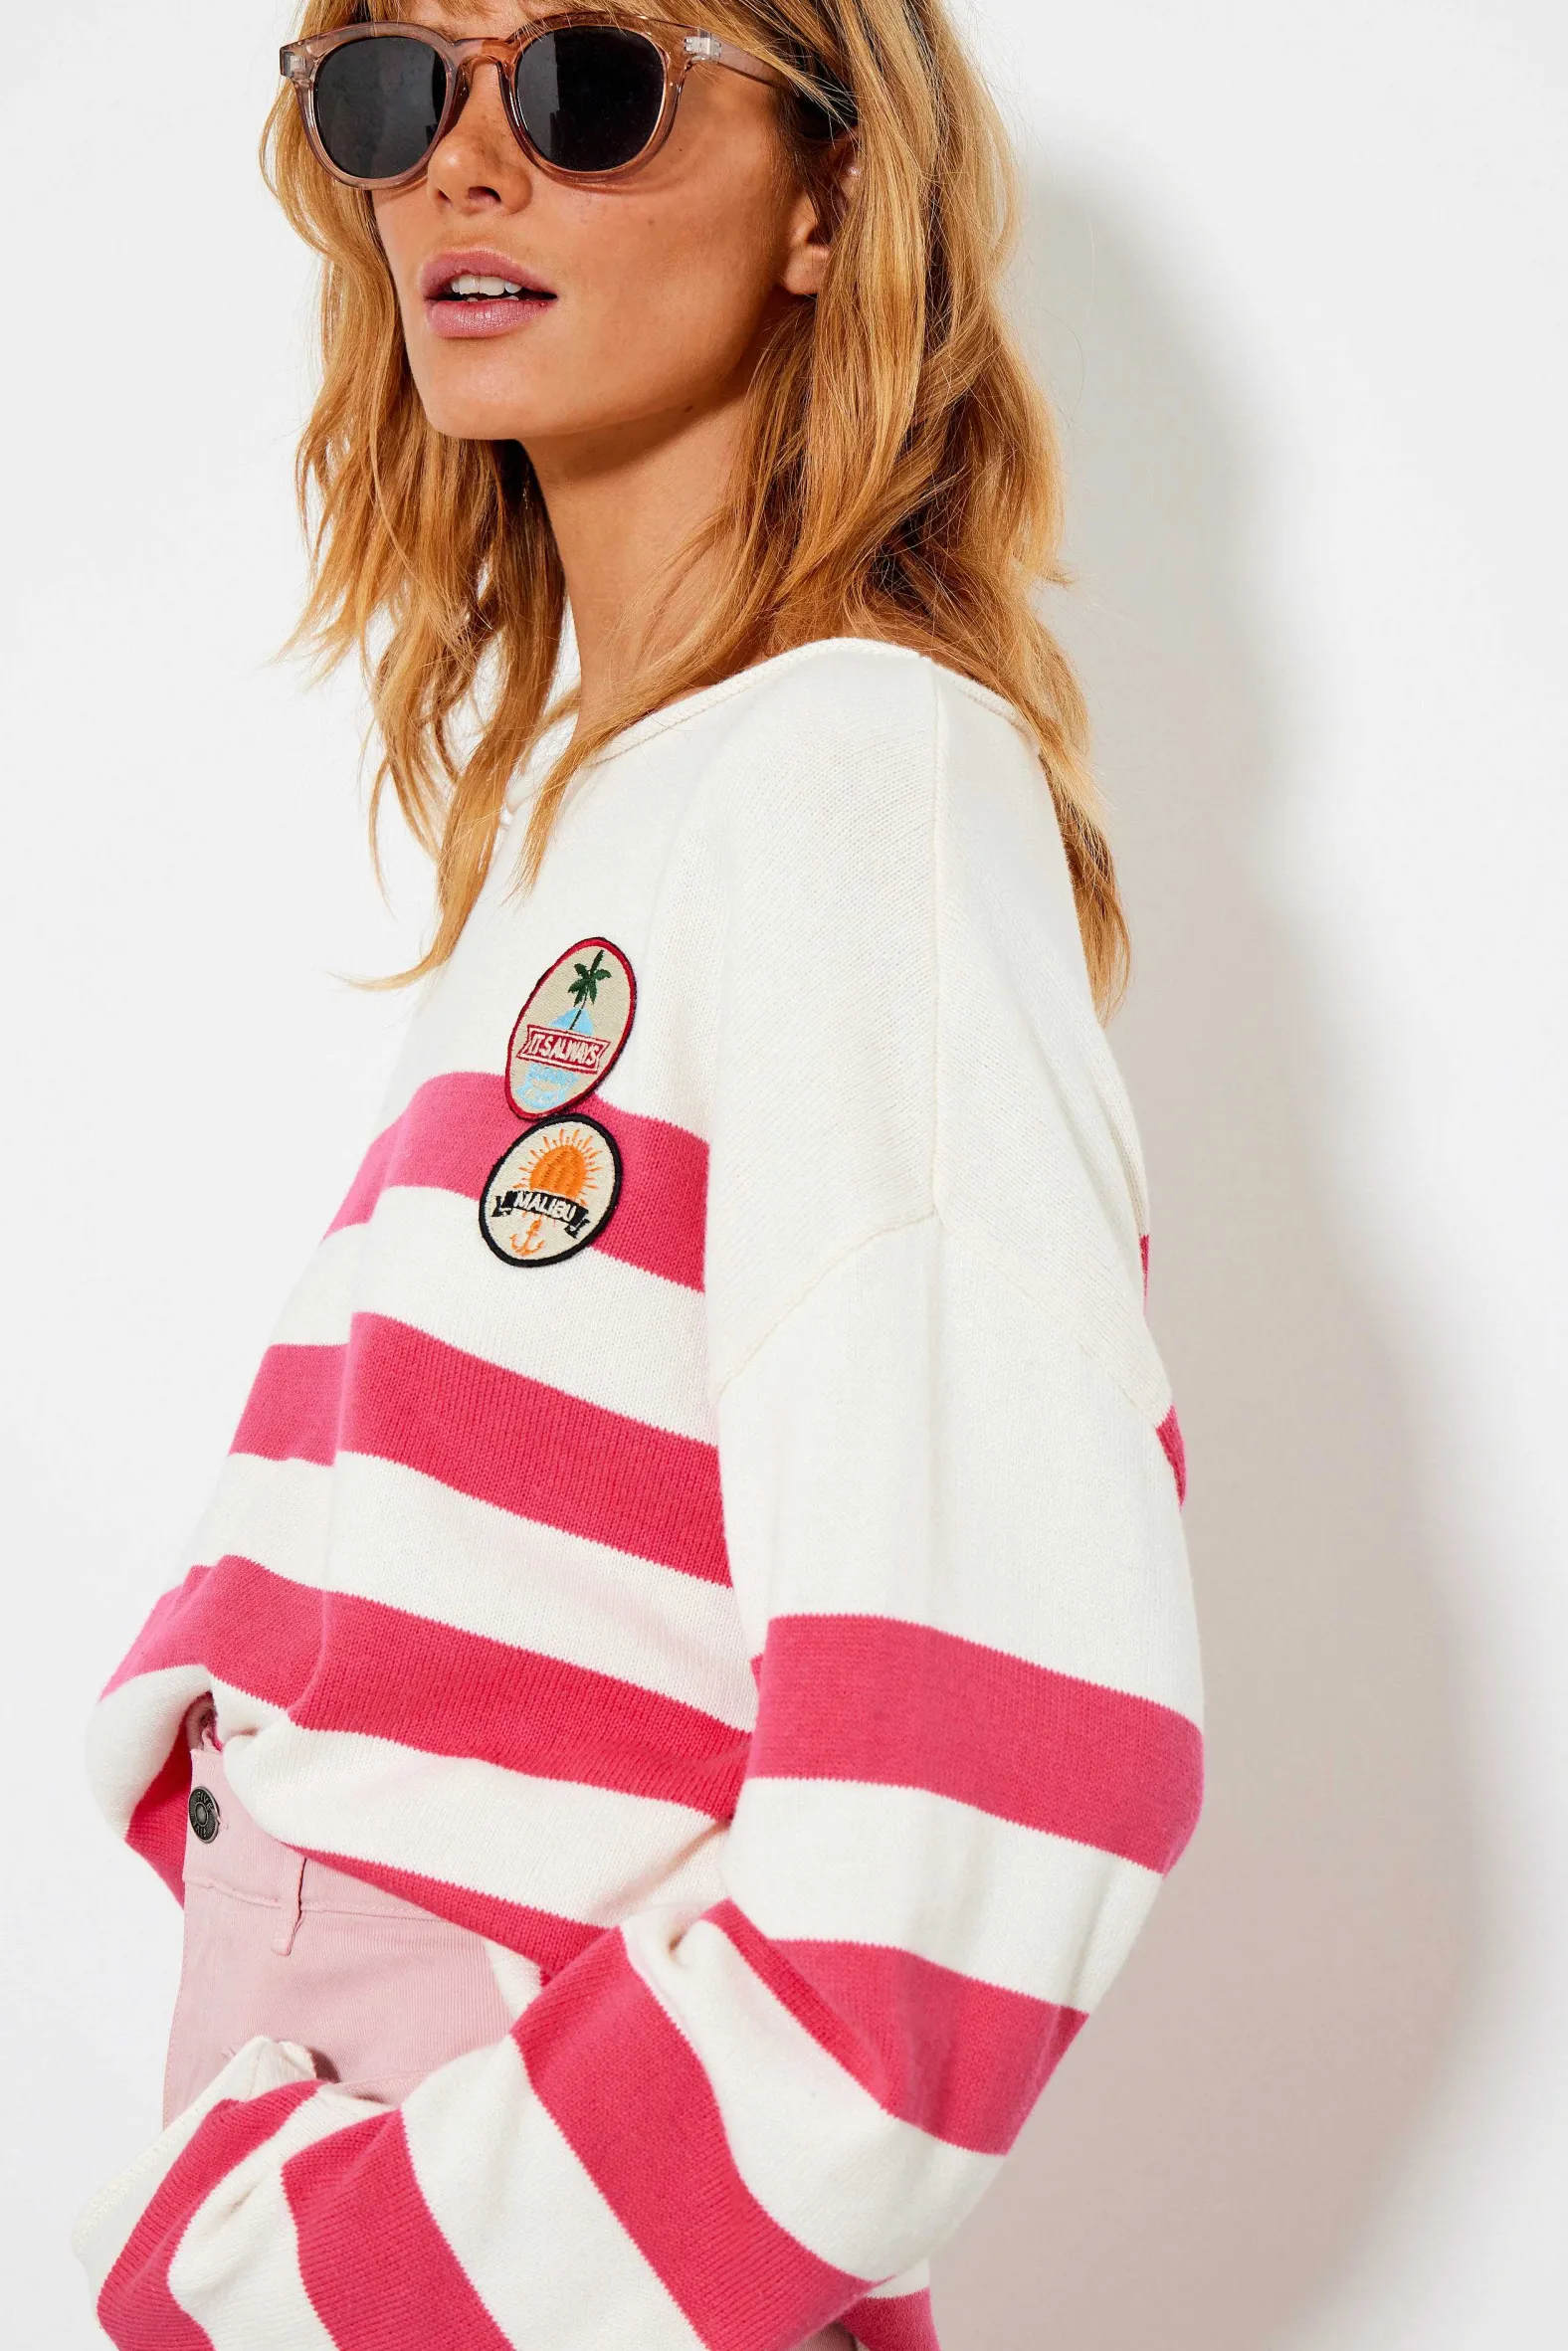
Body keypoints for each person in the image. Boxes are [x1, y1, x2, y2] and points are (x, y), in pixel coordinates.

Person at [73, 5, 1204, 2345]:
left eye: (588, 79)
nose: (462, 164)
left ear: (827, 193)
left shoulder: (855, 781)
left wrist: (341, 2282)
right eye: (394, 84)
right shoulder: (606, 819)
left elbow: (995, 1790)